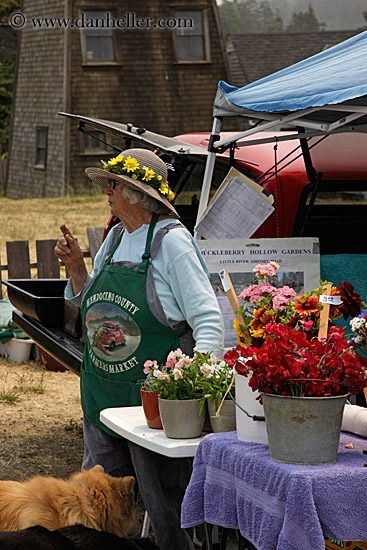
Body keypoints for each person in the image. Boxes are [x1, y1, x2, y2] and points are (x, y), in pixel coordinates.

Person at [54, 148, 224, 550]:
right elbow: (92, 303)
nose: (106, 192)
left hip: (151, 407)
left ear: (135, 192)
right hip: (103, 394)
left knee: (165, 509)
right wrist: (77, 266)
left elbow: (209, 321)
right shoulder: (114, 237)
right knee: (93, 509)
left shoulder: (173, 243)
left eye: (113, 184)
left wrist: (193, 389)